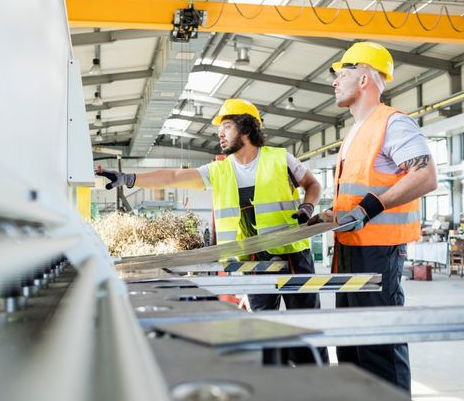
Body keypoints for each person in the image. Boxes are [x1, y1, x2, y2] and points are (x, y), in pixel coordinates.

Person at [97, 98, 327, 364]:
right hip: (251, 261)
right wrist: (129, 179)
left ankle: (315, 378)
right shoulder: (218, 171)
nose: (219, 133)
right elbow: (173, 178)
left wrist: (308, 207)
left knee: (306, 326)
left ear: (246, 129)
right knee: (262, 329)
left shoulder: (280, 158)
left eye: (226, 126)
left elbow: (313, 184)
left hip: (292, 256)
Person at [309, 42, 438, 392]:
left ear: (364, 77)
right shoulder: (353, 133)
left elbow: (425, 176)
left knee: (379, 346)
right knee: (351, 348)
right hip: (348, 251)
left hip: (378, 254)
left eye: (343, 74)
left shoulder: (392, 123)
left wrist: (370, 208)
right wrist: (330, 215)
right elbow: (357, 193)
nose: (335, 82)